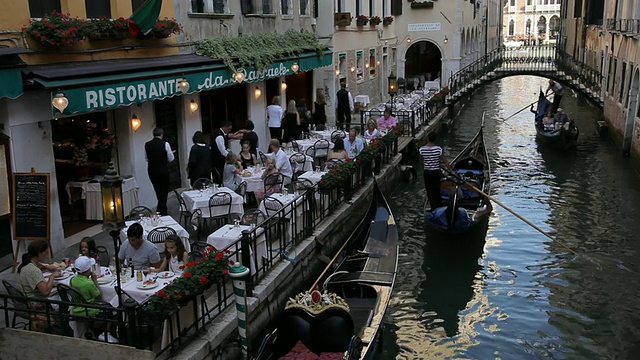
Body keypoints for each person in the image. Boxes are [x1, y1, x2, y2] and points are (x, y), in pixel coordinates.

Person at [69, 256, 118, 343]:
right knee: (111, 308)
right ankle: (105, 333)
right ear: (88, 270)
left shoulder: (72, 280)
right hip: (89, 308)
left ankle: (92, 329)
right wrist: (94, 280)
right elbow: (99, 296)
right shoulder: (88, 283)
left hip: (77, 307)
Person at [419, 132, 453, 209]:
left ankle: (433, 207)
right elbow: (445, 161)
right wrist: (450, 171)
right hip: (436, 172)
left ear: (428, 139)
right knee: (437, 188)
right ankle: (439, 205)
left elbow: (420, 162)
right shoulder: (438, 149)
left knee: (429, 190)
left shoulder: (422, 149)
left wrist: (428, 163)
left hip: (427, 173)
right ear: (435, 140)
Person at [145, 127, 174, 215]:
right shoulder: (165, 144)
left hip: (152, 171)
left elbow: (146, 158)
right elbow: (171, 158)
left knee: (158, 191)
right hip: (163, 171)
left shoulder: (147, 144)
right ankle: (161, 212)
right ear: (161, 134)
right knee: (164, 191)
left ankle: (163, 210)